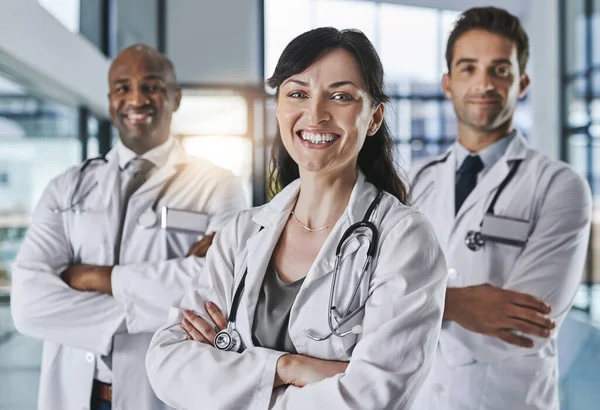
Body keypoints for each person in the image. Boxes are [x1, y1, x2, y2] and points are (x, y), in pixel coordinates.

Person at [145, 27, 447, 410]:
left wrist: (235, 382)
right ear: (279, 108)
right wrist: (288, 367)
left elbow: (373, 396)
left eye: (341, 96)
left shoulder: (403, 237)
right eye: (297, 93)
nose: (316, 114)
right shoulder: (242, 233)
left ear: (373, 118)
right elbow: (166, 364)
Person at [10, 44, 248, 410]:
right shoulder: (67, 186)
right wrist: (160, 308)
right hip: (77, 394)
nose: (136, 98)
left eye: (151, 86)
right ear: (110, 102)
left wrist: (97, 278)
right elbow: (28, 304)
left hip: (161, 394)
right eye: (123, 87)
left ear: (175, 98)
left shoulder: (218, 185)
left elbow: (222, 288)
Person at [409, 7, 592, 410]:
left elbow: (525, 327)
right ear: (447, 82)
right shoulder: (412, 182)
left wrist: (411, 311)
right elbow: (362, 297)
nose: (484, 84)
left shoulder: (560, 187)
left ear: (521, 82)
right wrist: (457, 305)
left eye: (499, 70)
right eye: (468, 68)